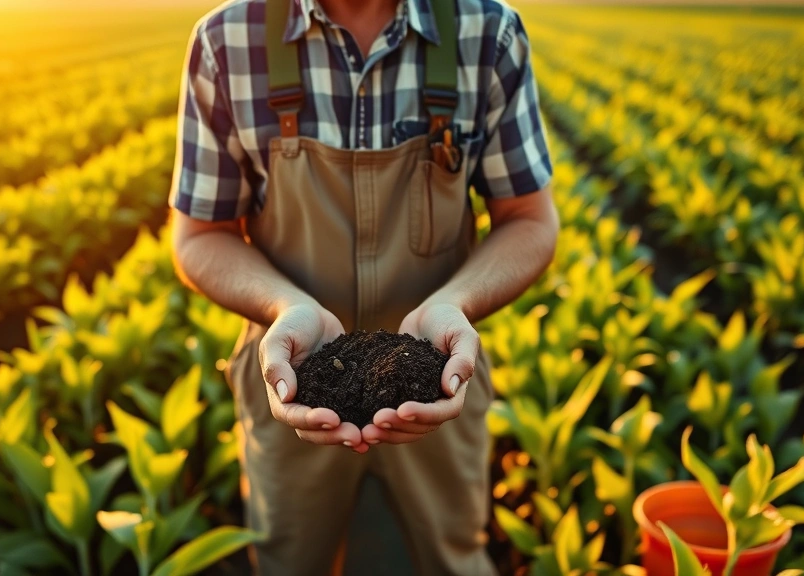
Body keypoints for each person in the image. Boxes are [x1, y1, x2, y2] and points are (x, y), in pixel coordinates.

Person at [168, 0, 558, 572]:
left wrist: (455, 304)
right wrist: (286, 306)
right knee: (290, 559)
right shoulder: (227, 43)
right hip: (292, 373)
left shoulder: (488, 33)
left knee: (453, 557)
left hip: (441, 368)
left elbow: (529, 218)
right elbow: (200, 235)